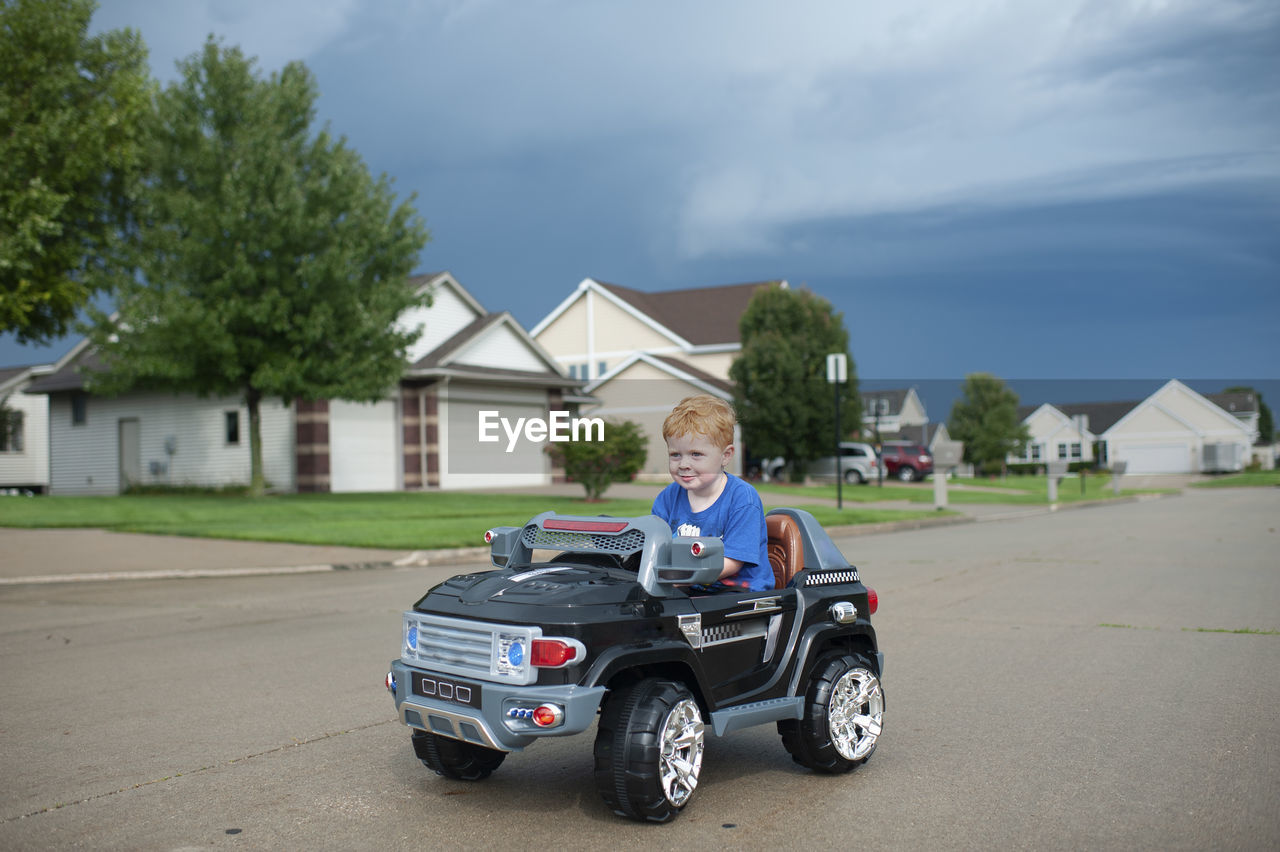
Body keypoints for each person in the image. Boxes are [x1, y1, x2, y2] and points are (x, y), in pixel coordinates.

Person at [651, 394, 773, 591]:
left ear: (726, 455)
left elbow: (732, 562)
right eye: (675, 455)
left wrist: (682, 577)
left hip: (738, 594)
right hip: (688, 589)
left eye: (696, 454)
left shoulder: (742, 499)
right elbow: (655, 546)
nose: (683, 464)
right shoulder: (668, 497)